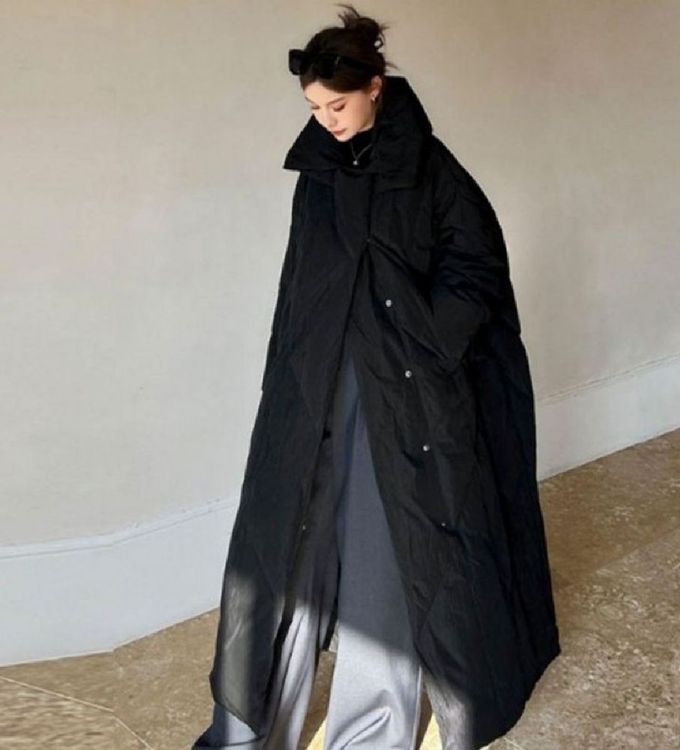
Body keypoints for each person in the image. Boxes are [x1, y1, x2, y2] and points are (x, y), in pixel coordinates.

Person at [193, 4, 561, 750]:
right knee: (283, 544)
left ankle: (370, 730)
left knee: (385, 548)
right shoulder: (317, 176)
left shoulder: (434, 172)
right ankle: (252, 723)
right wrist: (285, 373)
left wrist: (426, 341)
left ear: (375, 87)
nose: (325, 120)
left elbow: (477, 271)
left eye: (337, 105)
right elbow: (298, 283)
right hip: (318, 383)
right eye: (313, 108)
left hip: (399, 389)